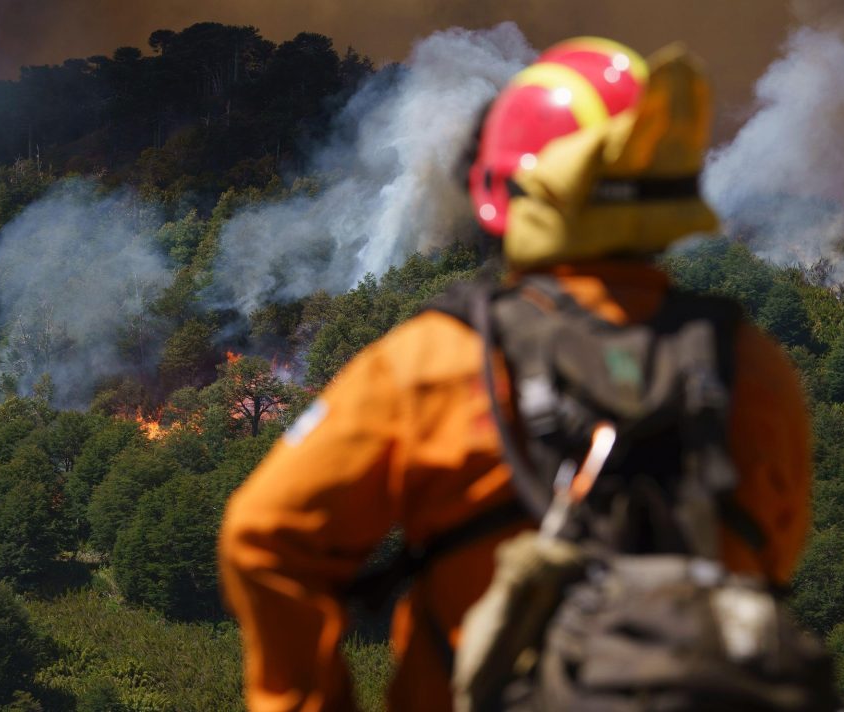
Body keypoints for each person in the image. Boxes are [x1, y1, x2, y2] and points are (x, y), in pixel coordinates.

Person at [219, 37, 812, 712]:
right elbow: (769, 563)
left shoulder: (436, 362)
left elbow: (264, 536)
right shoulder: (753, 368)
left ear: (500, 190)